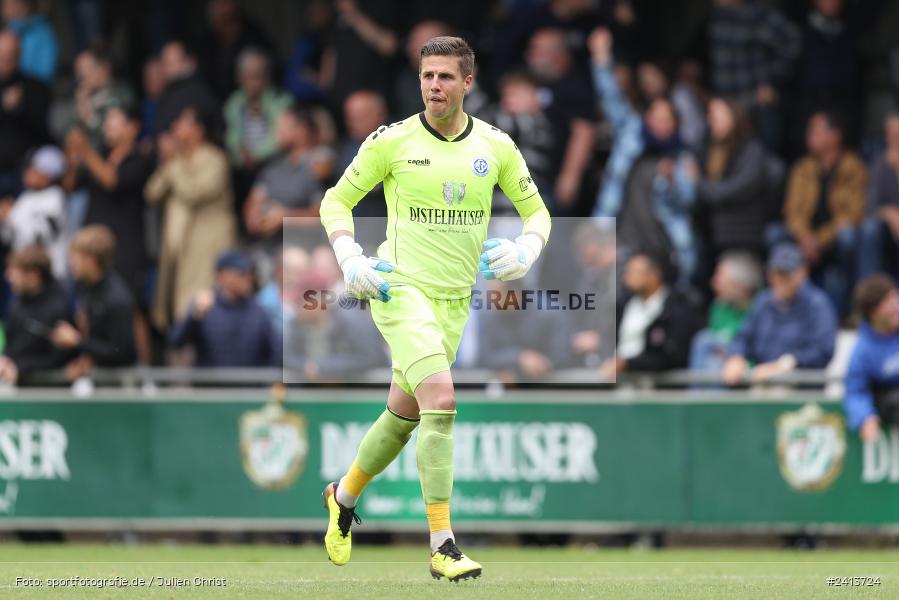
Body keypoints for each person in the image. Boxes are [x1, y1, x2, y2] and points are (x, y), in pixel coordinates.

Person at [318, 36, 551, 580]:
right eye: (427, 76)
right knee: (442, 398)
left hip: (453, 302)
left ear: (468, 82)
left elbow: (538, 213)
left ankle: (343, 496)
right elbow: (336, 200)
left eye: (446, 77)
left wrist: (525, 250)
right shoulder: (392, 141)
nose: (434, 86)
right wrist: (350, 258)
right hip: (399, 291)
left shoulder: (495, 147)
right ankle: (443, 546)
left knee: (404, 416)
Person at [589, 28, 698, 285]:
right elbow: (611, 99)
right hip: (621, 239)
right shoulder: (631, 135)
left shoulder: (682, 158)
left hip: (663, 245)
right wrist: (601, 59)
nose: (660, 123)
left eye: (667, 119)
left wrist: (675, 181)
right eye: (656, 117)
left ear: (675, 124)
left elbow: (688, 202)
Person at [64, 106, 154, 364]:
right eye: (107, 124)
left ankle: (144, 372)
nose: (108, 129)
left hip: (126, 245)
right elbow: (70, 185)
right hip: (91, 245)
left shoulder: (140, 159)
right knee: (87, 306)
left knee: (133, 308)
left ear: (132, 128)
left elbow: (112, 181)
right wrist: (73, 156)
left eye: (115, 123)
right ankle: (89, 362)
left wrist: (86, 151)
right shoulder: (99, 155)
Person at [145, 106, 236, 329]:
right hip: (179, 251)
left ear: (199, 130)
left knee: (202, 306)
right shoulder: (178, 161)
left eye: (183, 123)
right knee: (177, 311)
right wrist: (170, 161)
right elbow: (152, 192)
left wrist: (174, 164)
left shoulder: (214, 159)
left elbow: (194, 192)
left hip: (207, 247)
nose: (175, 128)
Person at [781, 111, 867, 315]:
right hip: (806, 238)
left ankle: (851, 306)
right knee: (776, 235)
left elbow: (854, 213)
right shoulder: (803, 167)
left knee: (849, 236)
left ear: (835, 135)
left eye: (816, 131)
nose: (809, 135)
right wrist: (805, 237)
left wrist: (819, 240)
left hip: (833, 238)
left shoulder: (853, 167)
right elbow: (792, 211)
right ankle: (786, 303)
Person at [722, 243, 837, 386]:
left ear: (802, 273)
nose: (780, 280)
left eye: (786, 274)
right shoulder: (763, 301)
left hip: (801, 387)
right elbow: (743, 337)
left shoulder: (818, 304)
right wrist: (736, 356)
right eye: (775, 273)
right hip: (761, 383)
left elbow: (823, 351)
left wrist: (787, 364)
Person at [707, 0, 800, 153]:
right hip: (726, 106)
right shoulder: (716, 16)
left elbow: (792, 41)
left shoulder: (759, 15)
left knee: (765, 160)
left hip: (754, 105)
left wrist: (773, 83)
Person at [600, 252, 702, 379]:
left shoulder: (675, 309)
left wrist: (628, 364)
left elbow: (671, 355)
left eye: (634, 272)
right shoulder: (624, 305)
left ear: (654, 275)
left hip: (655, 387)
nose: (627, 277)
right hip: (617, 382)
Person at [525, 27, 595, 214]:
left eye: (536, 50)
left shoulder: (576, 85)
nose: (530, 56)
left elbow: (584, 131)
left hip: (558, 179)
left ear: (556, 55)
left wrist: (570, 176)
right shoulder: (538, 83)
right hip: (536, 176)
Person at [696, 97, 775, 261]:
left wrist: (698, 183)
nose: (712, 121)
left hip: (743, 238)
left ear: (734, 116)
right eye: (710, 116)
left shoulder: (752, 150)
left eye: (717, 115)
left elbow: (735, 189)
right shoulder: (709, 151)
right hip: (714, 237)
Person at [55, 225, 137, 381]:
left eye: (75, 256)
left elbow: (123, 353)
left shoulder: (117, 299)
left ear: (91, 260)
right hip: (94, 380)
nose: (70, 262)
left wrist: (78, 342)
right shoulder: (85, 287)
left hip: (116, 389)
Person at [169, 250, 276, 367]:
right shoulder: (206, 306)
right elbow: (176, 341)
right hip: (211, 384)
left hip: (248, 384)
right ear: (222, 276)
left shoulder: (258, 311)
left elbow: (274, 353)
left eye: (250, 273)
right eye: (241, 274)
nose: (248, 278)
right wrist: (194, 317)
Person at [244, 105, 326, 251]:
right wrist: (256, 218)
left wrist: (284, 217)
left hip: (306, 250)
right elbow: (253, 205)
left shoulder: (320, 166)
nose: (277, 132)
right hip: (267, 249)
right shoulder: (272, 168)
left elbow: (322, 217)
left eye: (283, 127)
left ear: (302, 130)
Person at [0, 245, 73, 385]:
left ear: (33, 274)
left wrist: (20, 368)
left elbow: (57, 359)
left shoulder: (59, 308)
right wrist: (6, 361)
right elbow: (11, 345)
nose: (8, 277)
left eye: (14, 272)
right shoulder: (17, 302)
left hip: (50, 393)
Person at [844, 274, 899, 442]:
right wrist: (864, 417)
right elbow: (855, 391)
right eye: (886, 302)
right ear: (873, 313)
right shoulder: (863, 351)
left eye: (895, 297)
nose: (895, 305)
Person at [0, 145, 67, 278]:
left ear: (47, 175)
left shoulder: (55, 198)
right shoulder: (25, 198)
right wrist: (3, 221)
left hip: (49, 275)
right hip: (24, 271)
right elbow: (9, 238)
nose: (27, 172)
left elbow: (39, 237)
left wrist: (11, 216)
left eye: (34, 169)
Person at [689, 252, 763, 373]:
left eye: (720, 279)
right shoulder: (718, 308)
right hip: (720, 369)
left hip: (750, 371)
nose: (713, 284)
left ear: (740, 284)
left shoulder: (761, 309)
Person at [224, 48, 291, 173]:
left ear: (267, 77)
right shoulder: (234, 103)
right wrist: (241, 155)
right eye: (248, 77)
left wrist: (255, 156)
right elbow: (231, 138)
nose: (254, 83)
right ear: (240, 78)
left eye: (258, 76)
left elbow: (280, 138)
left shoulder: (281, 101)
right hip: (241, 166)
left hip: (275, 165)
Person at [0, 29, 49, 198]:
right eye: (2, 55)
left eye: (10, 55)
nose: (5, 61)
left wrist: (20, 109)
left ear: (19, 55)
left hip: (23, 172)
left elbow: (43, 132)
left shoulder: (34, 88)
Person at [858, 113, 899, 278]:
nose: (895, 140)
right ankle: (869, 290)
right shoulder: (880, 164)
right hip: (888, 233)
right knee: (869, 229)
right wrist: (892, 214)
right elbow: (872, 205)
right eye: (891, 135)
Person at [71, 45, 134, 150]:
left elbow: (112, 138)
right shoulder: (79, 98)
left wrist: (90, 118)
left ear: (103, 68)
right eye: (78, 71)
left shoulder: (121, 94)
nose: (81, 77)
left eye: (87, 69)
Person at [154, 40, 220, 138]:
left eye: (171, 63)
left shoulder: (195, 92)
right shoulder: (170, 91)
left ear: (189, 62)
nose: (165, 68)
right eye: (164, 62)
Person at [1, 0, 57, 83]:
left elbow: (45, 73)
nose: (3, 9)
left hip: (33, 86)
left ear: (21, 5)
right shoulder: (8, 29)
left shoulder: (42, 33)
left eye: (6, 5)